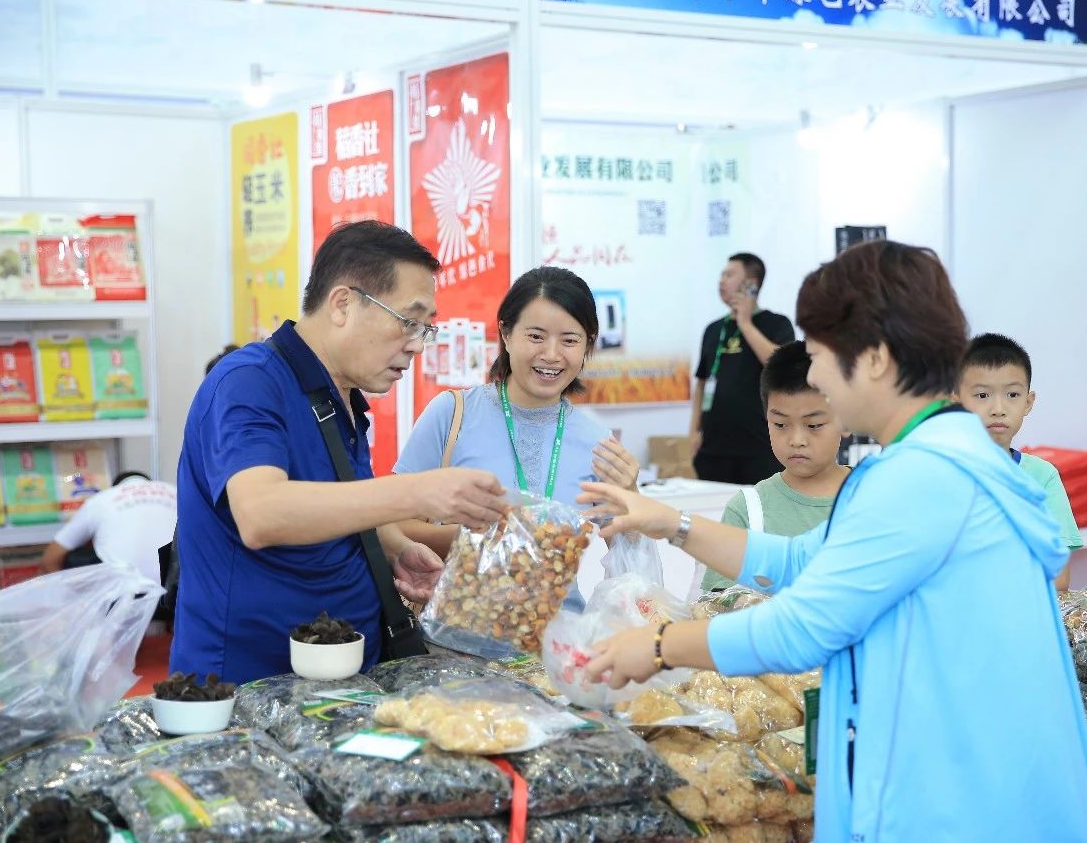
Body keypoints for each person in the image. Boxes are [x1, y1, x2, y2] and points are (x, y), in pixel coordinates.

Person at [580, 240, 1087, 843]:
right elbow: (802, 559)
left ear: (875, 358)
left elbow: (802, 628)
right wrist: (671, 523)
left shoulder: (925, 478)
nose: (813, 374)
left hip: (956, 799)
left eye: (820, 354)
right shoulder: (935, 456)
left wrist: (657, 646)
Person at [170, 221, 507, 684]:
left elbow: (337, 500)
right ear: (343, 304)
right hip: (251, 683)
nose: (416, 345)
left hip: (343, 677)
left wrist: (394, 547)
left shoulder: (340, 396)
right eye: (408, 321)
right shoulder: (247, 382)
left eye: (425, 328)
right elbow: (261, 513)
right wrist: (417, 493)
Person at [394, 266, 640, 561]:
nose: (551, 355)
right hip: (458, 591)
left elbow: (631, 555)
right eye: (536, 336)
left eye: (569, 340)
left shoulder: (599, 444)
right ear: (506, 334)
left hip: (562, 595)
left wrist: (631, 496)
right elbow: (391, 524)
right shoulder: (452, 414)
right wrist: (472, 538)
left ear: (588, 344)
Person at [700, 341, 848, 592]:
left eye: (813, 425)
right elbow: (715, 604)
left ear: (847, 419)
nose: (796, 440)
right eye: (780, 424)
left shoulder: (873, 494)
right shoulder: (748, 509)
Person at [957, 333, 1081, 591]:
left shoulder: (1042, 476)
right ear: (956, 401)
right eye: (982, 395)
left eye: (1012, 394)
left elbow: (1058, 578)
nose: (998, 409)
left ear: (1028, 402)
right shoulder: (941, 472)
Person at [690, 252, 796, 485]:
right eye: (721, 275)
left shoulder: (776, 323)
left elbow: (780, 365)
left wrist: (745, 323)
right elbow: (701, 384)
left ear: (751, 285)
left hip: (760, 448)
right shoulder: (713, 329)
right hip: (713, 450)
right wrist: (693, 432)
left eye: (729, 275)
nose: (721, 281)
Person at [40, 471, 176, 583]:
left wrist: (67, 596)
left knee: (72, 558)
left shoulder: (101, 499)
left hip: (124, 596)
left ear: (115, 487)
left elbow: (50, 558)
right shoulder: (176, 491)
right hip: (177, 593)